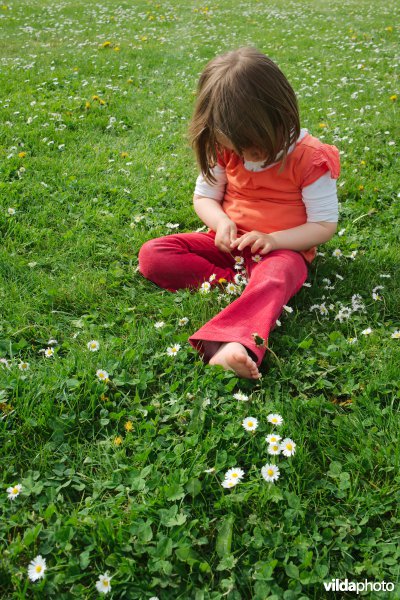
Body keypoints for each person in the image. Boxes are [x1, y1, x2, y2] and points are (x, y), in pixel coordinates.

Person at [139, 47, 340, 380]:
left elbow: (322, 225)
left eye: (255, 146)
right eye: (237, 147)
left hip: (283, 251)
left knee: (277, 276)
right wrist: (221, 223)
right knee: (154, 254)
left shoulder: (309, 159)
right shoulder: (225, 147)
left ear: (281, 115)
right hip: (229, 245)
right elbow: (204, 198)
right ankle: (249, 290)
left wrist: (274, 240)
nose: (248, 156)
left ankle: (234, 342)